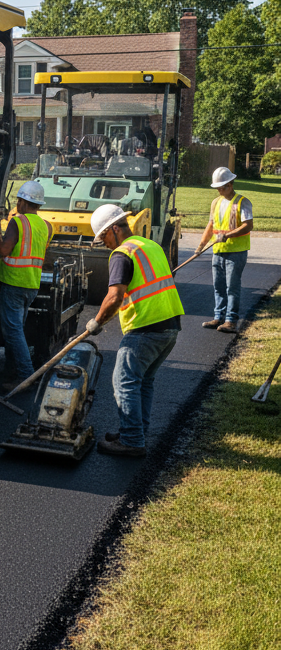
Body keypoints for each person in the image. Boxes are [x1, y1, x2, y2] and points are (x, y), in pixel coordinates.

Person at [85, 204, 185, 457]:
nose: (105, 244)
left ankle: (131, 440)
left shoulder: (122, 254)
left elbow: (114, 296)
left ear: (114, 229)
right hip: (170, 326)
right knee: (143, 382)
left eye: (104, 237)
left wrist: (96, 322)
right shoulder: (150, 246)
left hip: (146, 328)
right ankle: (136, 431)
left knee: (124, 381)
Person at [0, 180, 52, 391]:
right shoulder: (46, 225)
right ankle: (11, 370)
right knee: (15, 330)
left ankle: (25, 376)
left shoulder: (18, 222)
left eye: (18, 200)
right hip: (32, 285)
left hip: (14, 283)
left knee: (13, 331)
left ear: (24, 202)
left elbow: (4, 251)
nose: (17, 204)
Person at [198, 166, 253, 333]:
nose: (219, 191)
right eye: (217, 188)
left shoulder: (243, 202)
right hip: (218, 251)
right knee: (218, 286)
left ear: (230, 184)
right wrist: (201, 245)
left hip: (236, 252)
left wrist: (228, 235)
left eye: (221, 188)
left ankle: (231, 320)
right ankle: (218, 317)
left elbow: (248, 225)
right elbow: (211, 225)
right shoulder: (216, 202)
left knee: (232, 287)